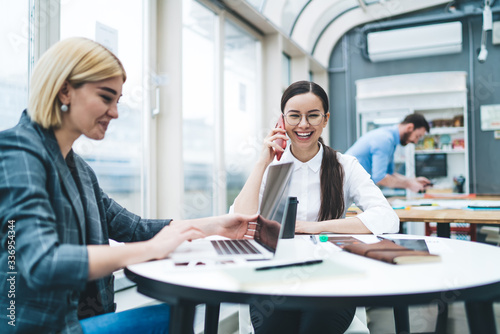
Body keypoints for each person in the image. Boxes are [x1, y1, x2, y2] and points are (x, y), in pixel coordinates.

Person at [0, 37, 257, 334]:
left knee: (183, 312)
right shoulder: (15, 153)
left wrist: (216, 226)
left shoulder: (79, 169)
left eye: (118, 101)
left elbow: (133, 229)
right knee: (178, 319)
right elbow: (42, 261)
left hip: (81, 320)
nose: (115, 112)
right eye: (106, 97)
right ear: (65, 90)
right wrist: (151, 249)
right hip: (43, 327)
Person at [233, 80, 399, 334]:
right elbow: (239, 219)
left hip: (332, 277)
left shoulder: (345, 165)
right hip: (273, 279)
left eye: (313, 116)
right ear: (282, 120)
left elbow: (387, 218)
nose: (303, 124)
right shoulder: (271, 166)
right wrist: (262, 161)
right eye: (294, 116)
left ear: (325, 119)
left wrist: (312, 227)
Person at [345, 113, 432, 193]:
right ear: (409, 127)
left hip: (352, 185)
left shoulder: (391, 140)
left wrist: (413, 181)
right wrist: (408, 184)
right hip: (343, 183)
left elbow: (389, 174)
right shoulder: (385, 139)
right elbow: (380, 178)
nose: (416, 141)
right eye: (417, 136)